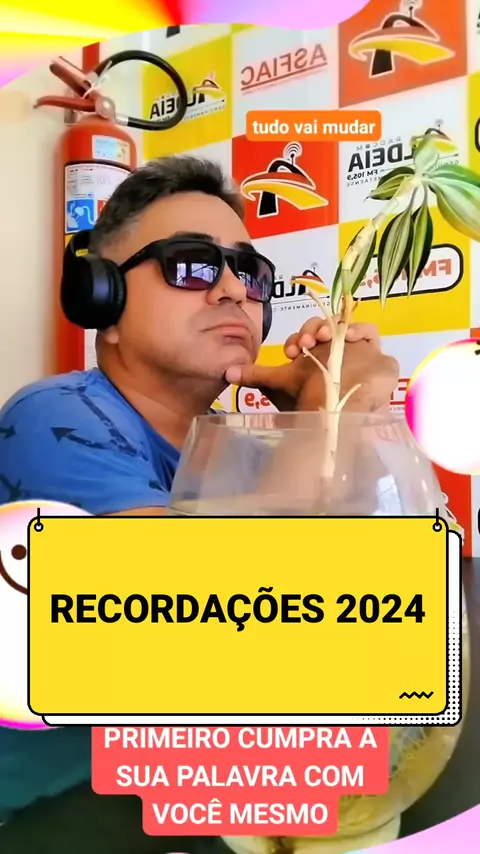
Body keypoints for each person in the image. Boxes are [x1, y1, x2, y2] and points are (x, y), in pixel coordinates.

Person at [0, 155, 398, 851]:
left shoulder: (238, 450)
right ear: (101, 298)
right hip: (51, 812)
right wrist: (333, 402)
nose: (233, 291)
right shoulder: (51, 418)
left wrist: (331, 411)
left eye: (250, 273)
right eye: (191, 265)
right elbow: (203, 614)